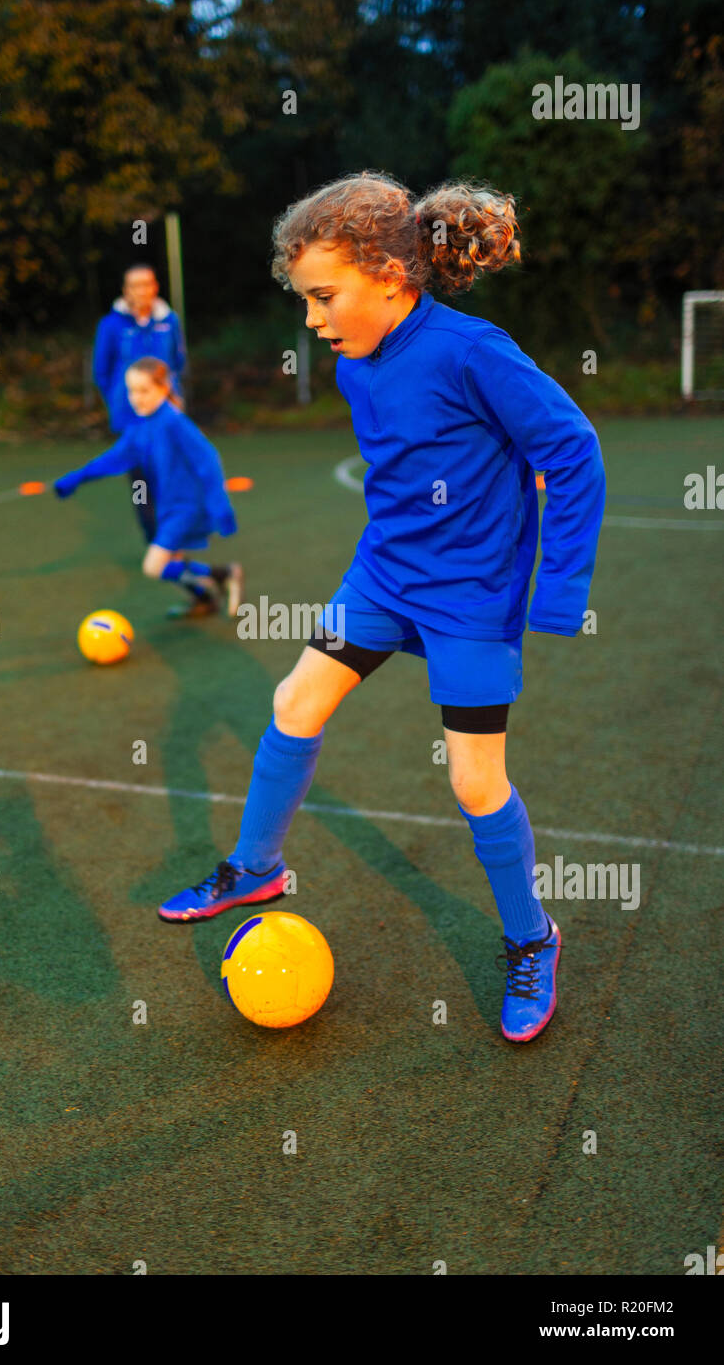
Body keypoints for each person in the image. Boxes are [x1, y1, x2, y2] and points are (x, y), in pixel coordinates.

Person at [156, 170, 607, 1046]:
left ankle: (532, 938)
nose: (315, 320)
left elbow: (573, 448)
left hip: (470, 599)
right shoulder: (357, 363)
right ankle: (255, 867)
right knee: (295, 700)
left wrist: (558, 589)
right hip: (385, 579)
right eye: (305, 302)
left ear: (392, 279)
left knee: (474, 781)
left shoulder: (473, 353)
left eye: (325, 297)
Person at [55, 357, 243, 620]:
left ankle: (216, 579)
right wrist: (78, 478)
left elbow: (207, 460)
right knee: (173, 562)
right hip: (167, 506)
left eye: (144, 390)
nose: (136, 398)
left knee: (154, 566)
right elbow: (113, 458)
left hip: (187, 507)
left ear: (163, 388)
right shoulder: (140, 427)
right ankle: (215, 586)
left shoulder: (173, 422)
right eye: (131, 390)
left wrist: (219, 505)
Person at [92, 264, 187, 542]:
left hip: (167, 415)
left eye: (146, 284)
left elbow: (178, 363)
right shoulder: (110, 325)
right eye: (135, 285)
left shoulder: (169, 321)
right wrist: (119, 402)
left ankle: (171, 535)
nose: (141, 291)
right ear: (126, 291)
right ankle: (155, 538)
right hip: (130, 418)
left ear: (155, 287)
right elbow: (101, 371)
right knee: (141, 481)